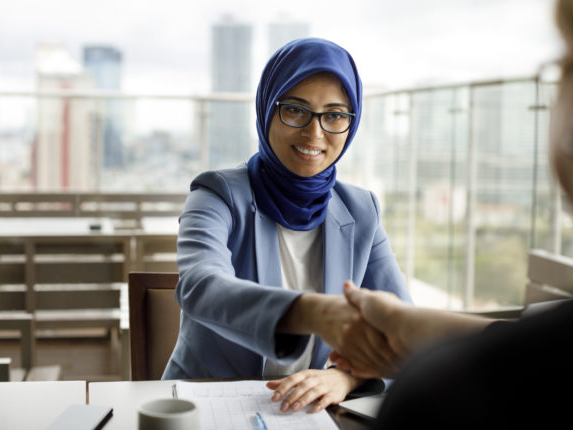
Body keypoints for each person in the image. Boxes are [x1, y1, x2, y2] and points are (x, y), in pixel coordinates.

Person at [328, 0, 573, 425]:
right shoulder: (223, 193)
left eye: (560, 71)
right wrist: (407, 324)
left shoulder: (451, 397)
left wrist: (353, 369)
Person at [162, 37, 412, 413]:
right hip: (204, 406)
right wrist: (311, 311)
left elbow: (404, 334)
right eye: (295, 110)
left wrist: (345, 378)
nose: (314, 133)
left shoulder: (362, 210)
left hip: (300, 414)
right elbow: (200, 286)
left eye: (335, 115)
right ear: (267, 110)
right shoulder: (217, 193)